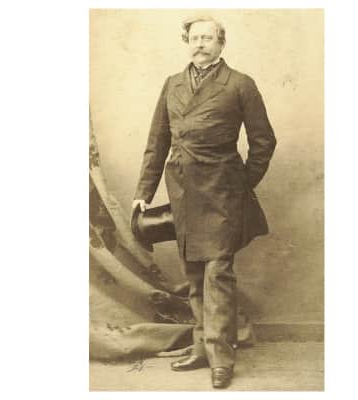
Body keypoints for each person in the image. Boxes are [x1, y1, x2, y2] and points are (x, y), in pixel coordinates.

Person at [132, 16, 276, 389]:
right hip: (183, 192)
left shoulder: (240, 84)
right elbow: (157, 143)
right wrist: (143, 194)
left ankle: (221, 359)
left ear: (220, 43)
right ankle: (201, 348)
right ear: (187, 42)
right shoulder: (172, 84)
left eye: (207, 38)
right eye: (194, 38)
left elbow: (263, 141)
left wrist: (241, 184)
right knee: (194, 273)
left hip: (223, 193)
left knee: (217, 274)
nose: (200, 44)